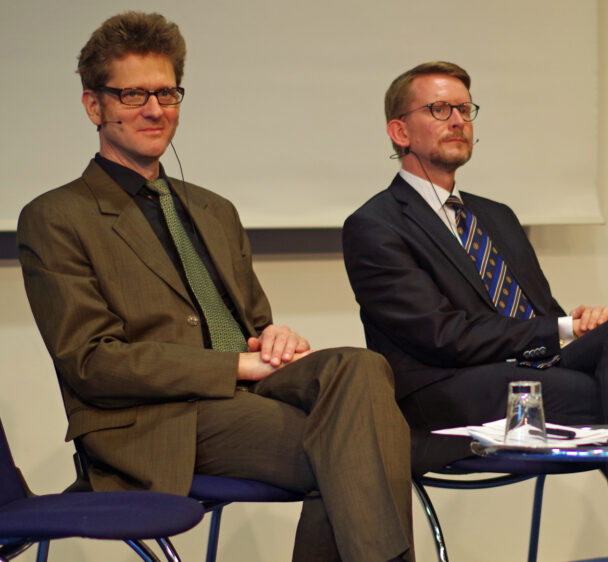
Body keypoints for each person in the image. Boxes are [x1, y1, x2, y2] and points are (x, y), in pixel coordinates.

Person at [16, 12, 411, 562]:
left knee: (362, 368)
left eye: (167, 92)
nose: (155, 109)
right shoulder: (56, 217)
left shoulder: (213, 209)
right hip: (156, 420)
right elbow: (91, 363)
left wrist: (271, 340)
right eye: (133, 95)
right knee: (357, 449)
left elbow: (252, 324)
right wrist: (231, 368)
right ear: (94, 106)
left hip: (245, 397)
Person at [342, 61, 608, 561]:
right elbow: (442, 336)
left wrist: (579, 327)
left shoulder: (497, 216)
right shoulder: (375, 225)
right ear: (399, 131)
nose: (458, 120)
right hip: (443, 388)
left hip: (526, 369)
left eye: (466, 109)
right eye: (440, 109)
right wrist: (560, 329)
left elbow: (539, 315)